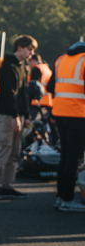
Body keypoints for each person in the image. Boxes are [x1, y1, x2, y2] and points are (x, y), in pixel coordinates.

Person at [0, 35, 37, 200]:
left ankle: (7, 186)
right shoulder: (7, 66)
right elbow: (7, 93)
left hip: (17, 114)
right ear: (20, 47)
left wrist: (25, 115)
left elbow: (23, 93)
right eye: (29, 49)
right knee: (3, 149)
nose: (31, 53)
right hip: (7, 114)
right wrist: (15, 115)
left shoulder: (23, 67)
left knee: (15, 152)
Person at [48, 39, 85, 212]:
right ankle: (68, 199)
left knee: (65, 157)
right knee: (74, 158)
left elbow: (50, 86)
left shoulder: (61, 59)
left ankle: (61, 197)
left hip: (60, 112)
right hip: (78, 114)